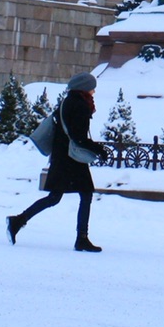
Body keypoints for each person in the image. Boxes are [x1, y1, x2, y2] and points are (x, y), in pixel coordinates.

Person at [8, 72, 106, 252]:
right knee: (85, 193)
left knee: (56, 197)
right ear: (84, 88)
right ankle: (81, 238)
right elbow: (78, 137)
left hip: (62, 156)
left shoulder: (67, 102)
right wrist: (99, 149)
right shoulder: (80, 105)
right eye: (92, 87)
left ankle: (18, 220)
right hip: (72, 158)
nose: (93, 91)